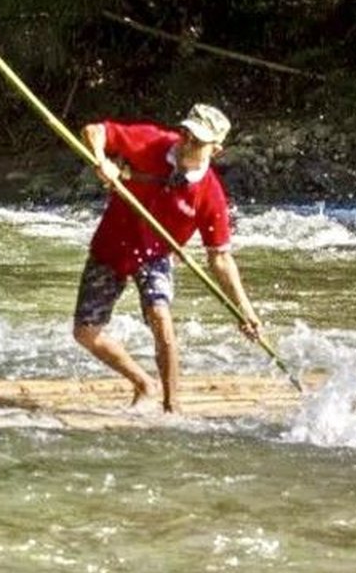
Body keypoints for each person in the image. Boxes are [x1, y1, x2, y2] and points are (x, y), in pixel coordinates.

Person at [74, 103, 263, 413]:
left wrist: (244, 310)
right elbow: (94, 131)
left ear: (215, 150)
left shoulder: (210, 195)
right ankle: (143, 383)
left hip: (155, 255)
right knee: (85, 333)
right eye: (185, 134)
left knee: (161, 317)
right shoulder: (152, 141)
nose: (186, 144)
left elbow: (220, 258)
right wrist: (102, 161)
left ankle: (171, 407)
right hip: (111, 246)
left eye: (197, 141)